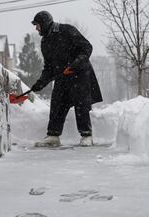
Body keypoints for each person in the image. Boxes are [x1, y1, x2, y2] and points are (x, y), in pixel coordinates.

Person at [30, 11, 103, 147]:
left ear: (45, 23)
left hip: (80, 74)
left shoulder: (66, 30)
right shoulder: (45, 42)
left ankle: (86, 135)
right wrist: (40, 83)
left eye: (38, 25)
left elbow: (86, 47)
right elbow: (49, 67)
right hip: (62, 76)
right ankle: (53, 136)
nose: (36, 28)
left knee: (81, 105)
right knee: (57, 103)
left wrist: (76, 63)